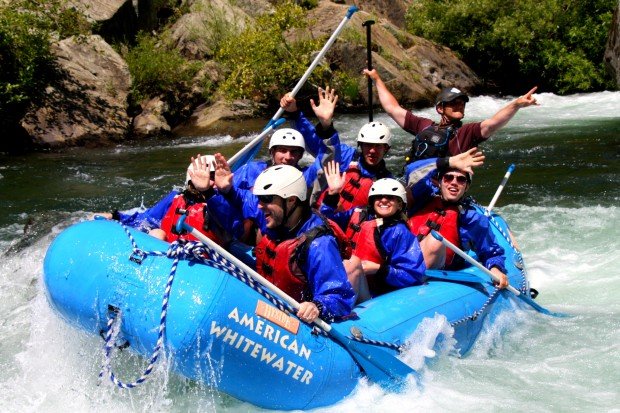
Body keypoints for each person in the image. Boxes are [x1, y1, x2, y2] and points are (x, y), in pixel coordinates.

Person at [204, 157, 355, 323]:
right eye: (260, 198)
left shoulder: (319, 243)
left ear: (291, 200)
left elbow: (339, 294)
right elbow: (244, 200)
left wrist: (317, 306)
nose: (260, 205)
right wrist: (225, 190)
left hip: (297, 320)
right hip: (270, 302)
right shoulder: (275, 214)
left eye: (266, 199)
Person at [363, 68, 538, 162]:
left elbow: (492, 123)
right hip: (419, 186)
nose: (459, 105)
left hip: (448, 192)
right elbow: (393, 108)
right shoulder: (423, 126)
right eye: (453, 103)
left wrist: (516, 105)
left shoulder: (468, 132)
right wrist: (377, 79)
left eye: (461, 102)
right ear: (440, 109)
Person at [320, 161, 426, 302]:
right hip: (344, 279)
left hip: (375, 296)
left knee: (351, 264)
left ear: (400, 203)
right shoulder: (358, 214)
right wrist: (332, 194)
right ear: (372, 200)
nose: (383, 200)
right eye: (379, 196)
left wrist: (378, 268)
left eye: (390, 198)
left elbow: (413, 275)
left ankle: (333, 307)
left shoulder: (399, 232)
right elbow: (325, 222)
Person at [281, 86, 394, 211]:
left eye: (378, 146)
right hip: (320, 213)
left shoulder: (387, 181)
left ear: (386, 149)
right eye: (368, 145)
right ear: (360, 146)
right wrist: (296, 113)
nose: (372, 151)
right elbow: (318, 142)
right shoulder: (346, 156)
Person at [409, 167, 509, 288]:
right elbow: (412, 170)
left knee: (435, 241)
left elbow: (491, 253)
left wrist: (496, 269)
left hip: (435, 270)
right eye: (448, 177)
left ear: (466, 187)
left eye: (461, 179)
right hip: (405, 259)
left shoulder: (472, 219)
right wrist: (447, 162)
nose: (454, 182)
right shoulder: (421, 200)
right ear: (439, 182)